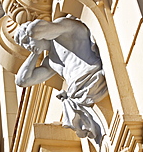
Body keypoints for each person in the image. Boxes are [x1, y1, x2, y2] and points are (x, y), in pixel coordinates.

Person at [14, 16, 108, 145]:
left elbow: (35, 30)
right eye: (24, 45)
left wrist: (31, 36)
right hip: (79, 95)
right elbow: (23, 81)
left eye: (26, 41)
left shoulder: (64, 29)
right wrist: (35, 52)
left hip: (95, 80)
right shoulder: (51, 61)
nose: (27, 46)